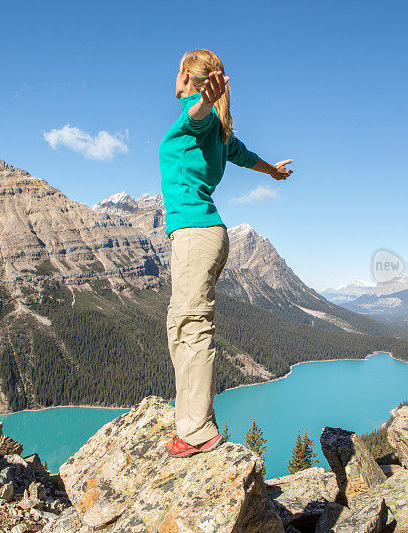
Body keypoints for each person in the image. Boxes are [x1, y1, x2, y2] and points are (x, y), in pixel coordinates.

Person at [159, 48, 293, 458]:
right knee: (181, 325)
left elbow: (194, 115)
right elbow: (244, 156)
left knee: (191, 326)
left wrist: (201, 100)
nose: (175, 74)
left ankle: (197, 431)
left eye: (180, 69)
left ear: (187, 78)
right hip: (208, 235)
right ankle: (192, 420)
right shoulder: (220, 128)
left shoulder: (197, 119)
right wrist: (272, 171)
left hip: (195, 235)